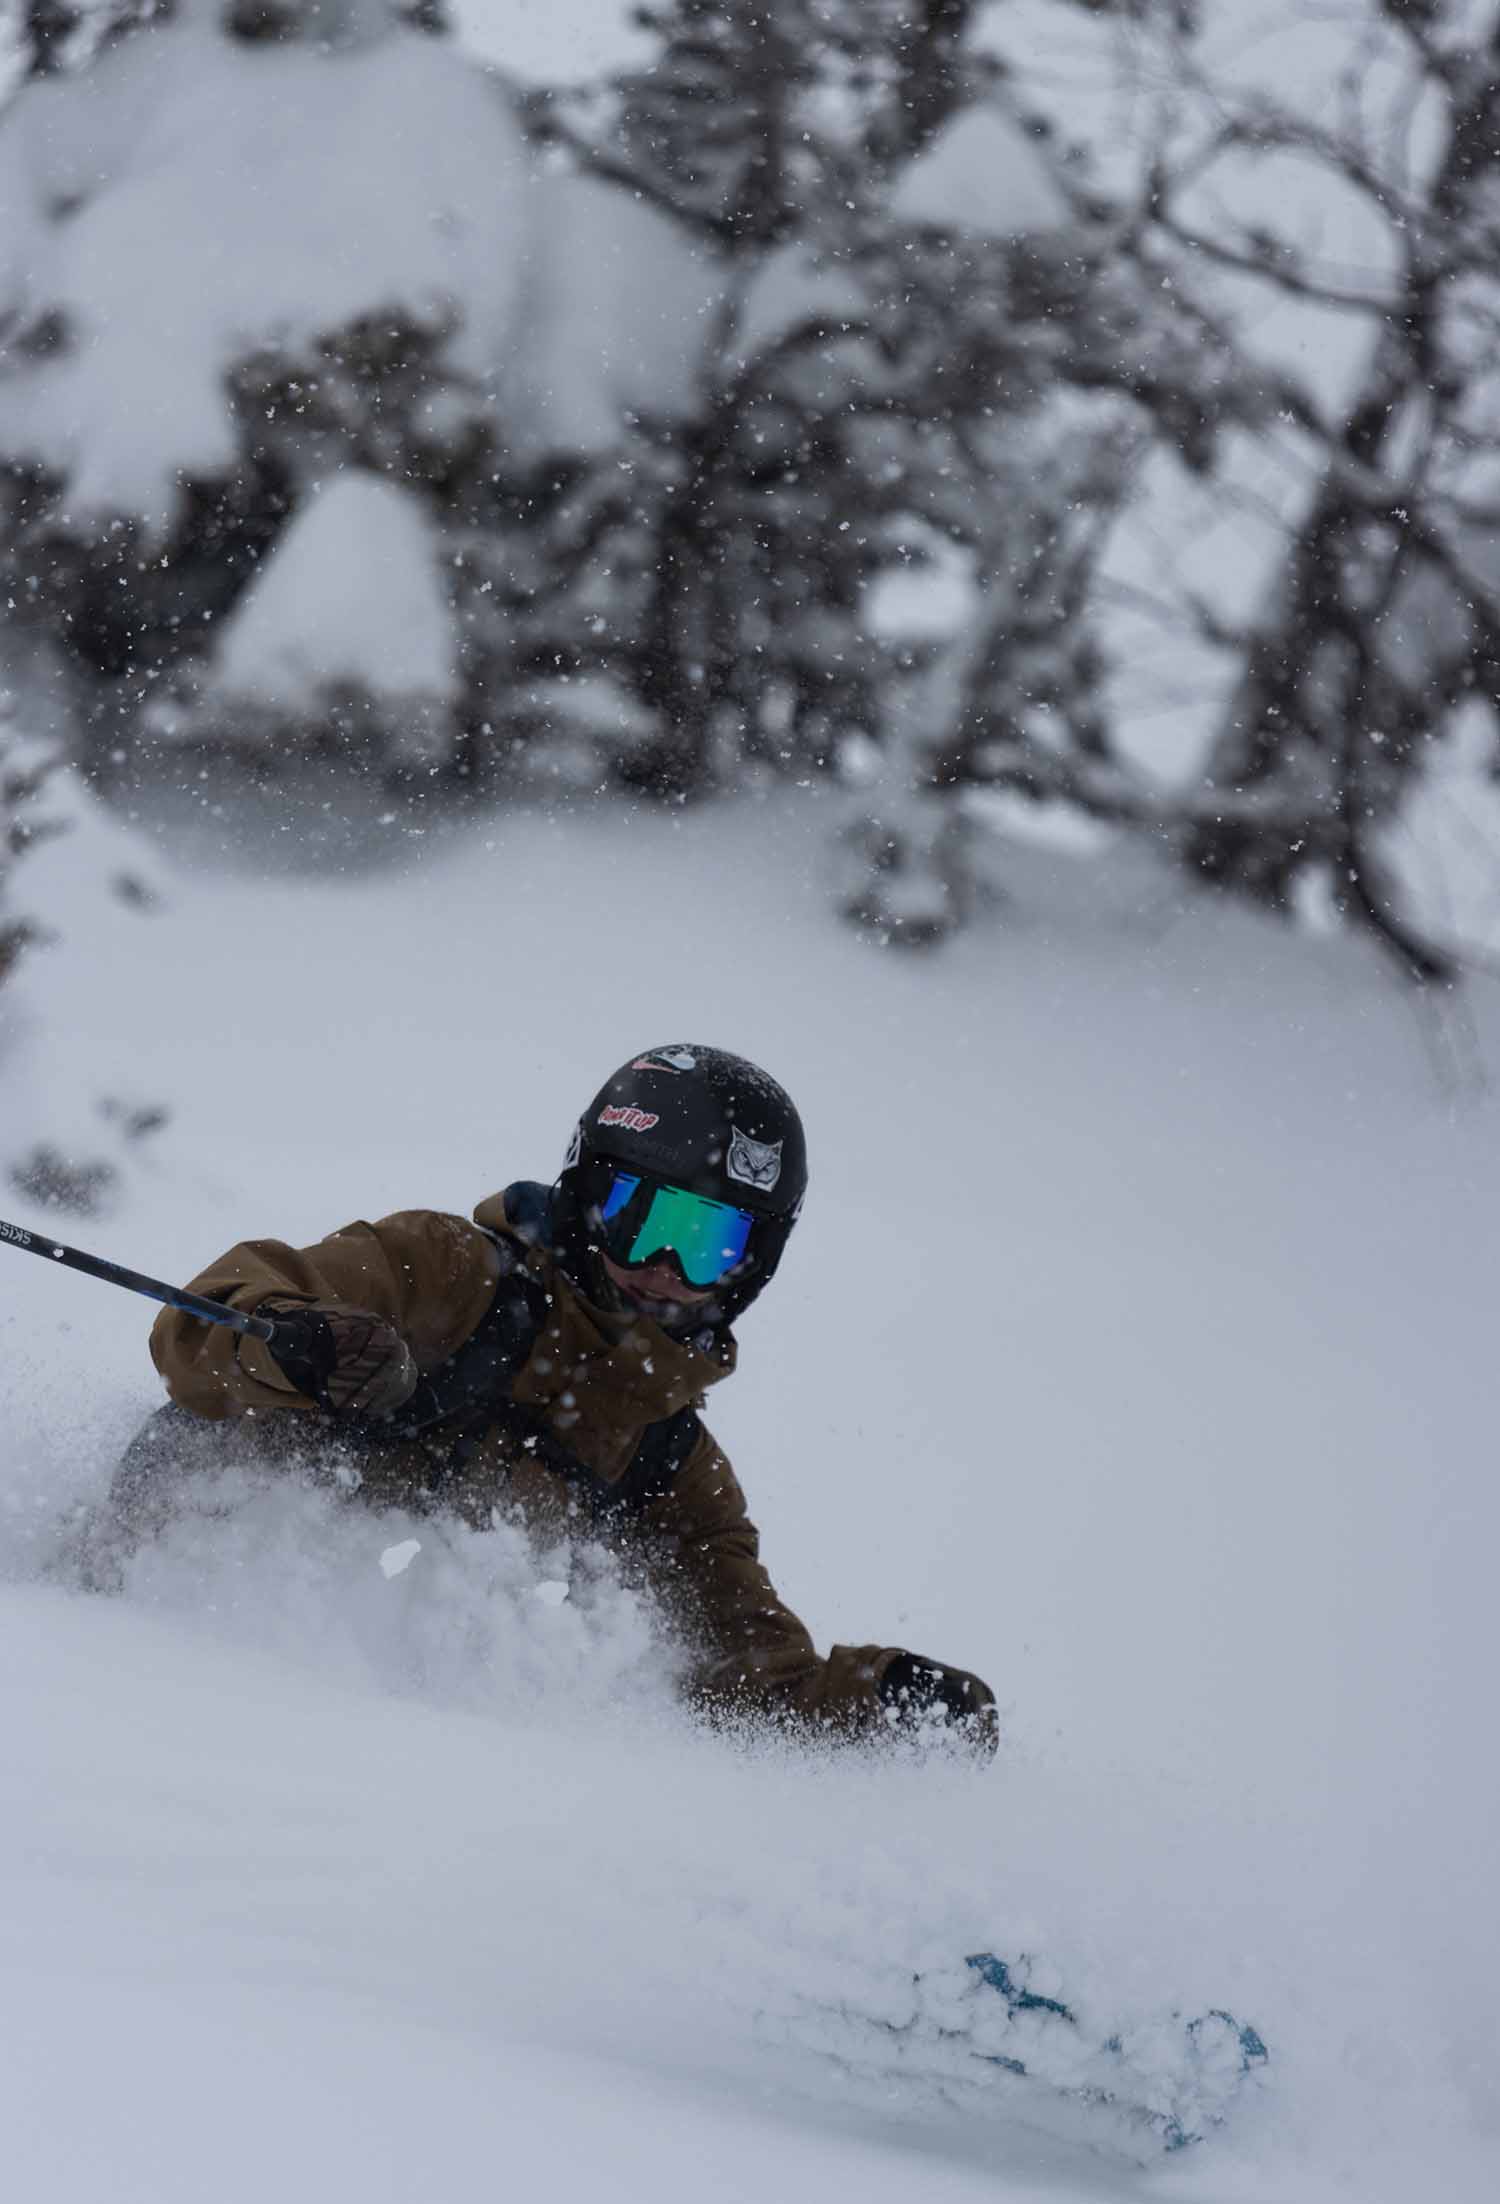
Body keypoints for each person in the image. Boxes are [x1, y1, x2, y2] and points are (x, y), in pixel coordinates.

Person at [144, 1045, 996, 1752]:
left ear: (753, 1265)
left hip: (374, 1762)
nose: (666, 1262)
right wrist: (296, 1341)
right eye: (640, 1216)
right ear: (588, 1195)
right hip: (162, 1661)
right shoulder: (445, 1271)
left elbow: (750, 1682)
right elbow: (200, 1326)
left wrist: (875, 1702)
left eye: (709, 1240)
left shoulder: (664, 1455)